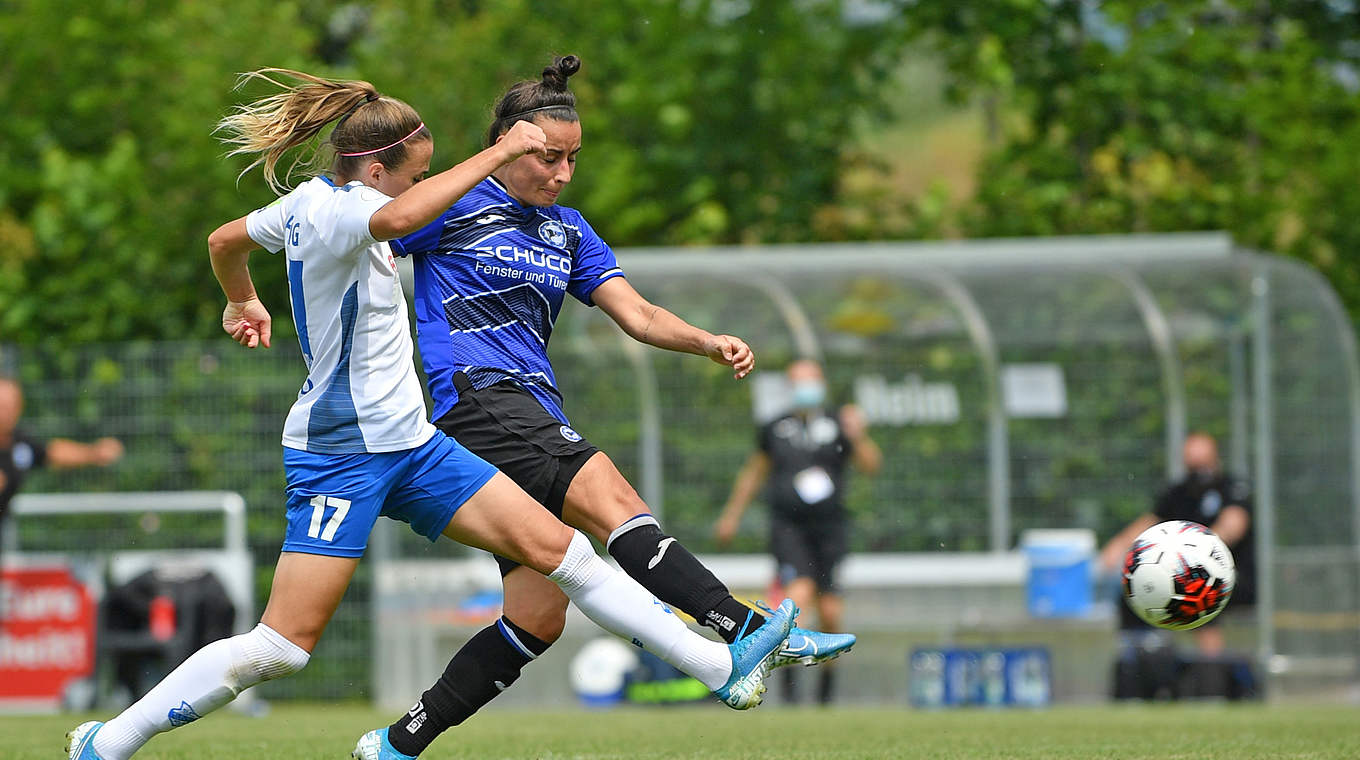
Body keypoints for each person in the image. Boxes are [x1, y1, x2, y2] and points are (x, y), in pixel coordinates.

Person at [66, 67, 797, 760]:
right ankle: (107, 742)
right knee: (283, 648)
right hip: (342, 451)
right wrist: (503, 149)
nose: (425, 186)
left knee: (565, 555)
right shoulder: (340, 209)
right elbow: (404, 216)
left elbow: (223, 240)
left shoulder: (311, 203)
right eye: (417, 170)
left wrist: (240, 296)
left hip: (412, 442)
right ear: (378, 170)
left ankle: (719, 666)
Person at [355, 55, 854, 760]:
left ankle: (397, 743)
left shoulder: (569, 230)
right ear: (510, 143)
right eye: (547, 157)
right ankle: (741, 629)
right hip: (477, 398)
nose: (561, 174)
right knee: (609, 492)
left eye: (573, 160)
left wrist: (705, 341)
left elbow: (640, 314)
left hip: (526, 403)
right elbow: (383, 224)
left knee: (538, 614)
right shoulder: (455, 202)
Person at [715, 358, 882, 704]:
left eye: (811, 380)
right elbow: (754, 472)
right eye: (798, 381)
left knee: (832, 613)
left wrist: (860, 435)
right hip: (789, 527)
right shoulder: (775, 427)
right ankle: (791, 696)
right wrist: (732, 515)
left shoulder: (839, 423)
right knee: (798, 598)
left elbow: (870, 466)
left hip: (830, 528)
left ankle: (825, 695)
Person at [1098, 432, 1255, 698]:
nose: (1197, 472)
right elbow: (1151, 521)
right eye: (1191, 465)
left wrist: (1198, 552)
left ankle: (1211, 685)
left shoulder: (1232, 488)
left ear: (1215, 458)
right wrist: (1118, 546)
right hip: (1177, 573)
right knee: (1132, 591)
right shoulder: (1178, 492)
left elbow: (1233, 524)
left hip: (1227, 577)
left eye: (1202, 464)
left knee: (1196, 593)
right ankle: (1141, 674)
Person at [0, 376, 124, 557]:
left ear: (19, 408)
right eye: (1, 405)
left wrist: (92, 453)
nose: (5, 412)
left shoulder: (19, 444)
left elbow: (53, 453)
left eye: (10, 405)